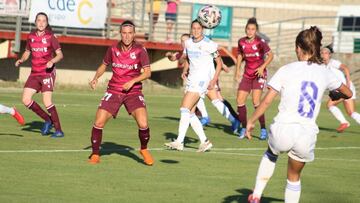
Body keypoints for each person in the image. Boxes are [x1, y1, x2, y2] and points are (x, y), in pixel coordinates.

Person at [246, 26, 352, 203]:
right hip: (306, 133)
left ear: (298, 48)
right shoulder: (325, 72)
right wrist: (335, 94)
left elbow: (266, 101)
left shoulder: (287, 69)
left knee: (271, 154)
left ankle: (256, 194)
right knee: (293, 177)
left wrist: (251, 120)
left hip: (283, 128)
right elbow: (348, 93)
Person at [88, 20, 154, 166]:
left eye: (130, 33)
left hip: (133, 92)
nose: (127, 36)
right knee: (99, 121)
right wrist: (95, 78)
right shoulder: (112, 49)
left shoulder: (140, 50)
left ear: (134, 34)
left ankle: (144, 149)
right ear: (120, 33)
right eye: (124, 33)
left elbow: (148, 73)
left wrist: (132, 81)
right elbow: (103, 65)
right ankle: (95, 153)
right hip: (114, 90)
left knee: (143, 124)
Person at [164, 20, 222, 152]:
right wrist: (172, 58)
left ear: (202, 29)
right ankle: (205, 141)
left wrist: (213, 80)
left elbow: (219, 63)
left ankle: (179, 141)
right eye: (193, 28)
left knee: (184, 108)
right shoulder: (188, 43)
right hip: (191, 79)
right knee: (190, 113)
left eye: (198, 28)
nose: (196, 31)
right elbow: (184, 58)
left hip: (202, 80)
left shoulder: (209, 44)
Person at [166, 33, 240, 133]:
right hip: (196, 80)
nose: (183, 43)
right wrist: (171, 56)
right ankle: (231, 119)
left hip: (207, 77)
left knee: (216, 100)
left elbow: (216, 54)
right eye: (181, 41)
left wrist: (223, 65)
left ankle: (230, 118)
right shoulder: (187, 50)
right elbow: (180, 59)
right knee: (211, 100)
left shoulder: (202, 46)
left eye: (185, 40)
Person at [15, 12, 64, 137]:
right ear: (35, 22)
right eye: (39, 20)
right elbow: (27, 52)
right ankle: (48, 120)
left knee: (47, 101)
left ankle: (58, 130)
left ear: (46, 23)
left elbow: (60, 55)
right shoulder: (31, 36)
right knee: (26, 100)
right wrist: (21, 59)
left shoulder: (51, 37)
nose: (41, 23)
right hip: (35, 73)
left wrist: (52, 61)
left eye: (44, 21)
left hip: (47, 73)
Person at [235, 17, 274, 140]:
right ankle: (244, 127)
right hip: (247, 74)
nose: (250, 31)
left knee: (256, 102)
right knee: (240, 101)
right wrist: (237, 71)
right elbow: (240, 55)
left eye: (252, 29)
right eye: (248, 29)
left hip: (259, 75)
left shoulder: (260, 42)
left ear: (256, 31)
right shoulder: (241, 42)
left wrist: (262, 67)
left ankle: (263, 129)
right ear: (245, 29)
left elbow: (271, 56)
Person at [321, 45, 360, 132]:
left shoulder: (333, 62)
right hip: (342, 89)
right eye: (322, 53)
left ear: (330, 55)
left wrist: (348, 84)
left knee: (330, 105)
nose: (323, 55)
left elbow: (345, 68)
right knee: (351, 112)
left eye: (326, 53)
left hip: (346, 88)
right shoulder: (322, 66)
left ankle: (344, 122)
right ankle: (344, 122)